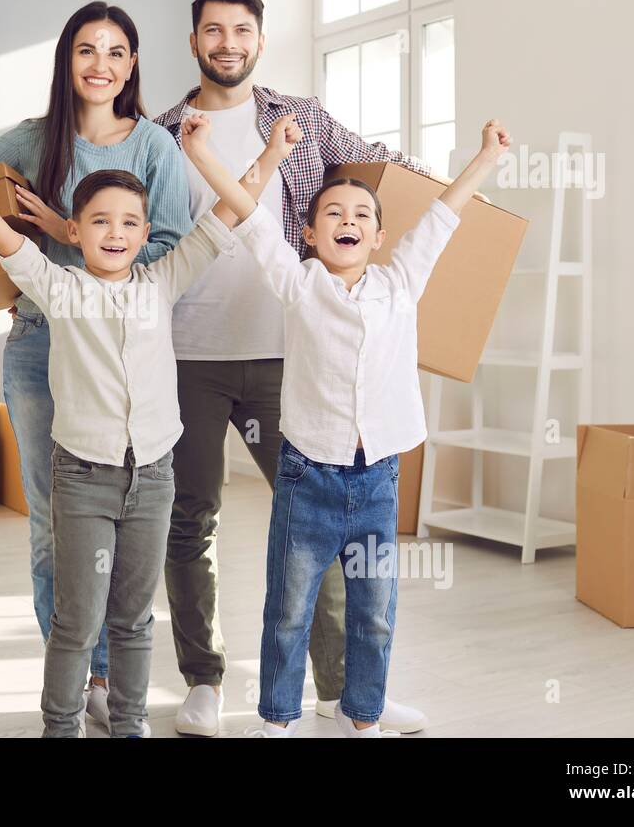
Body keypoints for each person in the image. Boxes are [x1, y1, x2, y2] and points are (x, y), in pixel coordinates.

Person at [0, 118, 293, 736]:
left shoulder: (164, 281)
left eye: (131, 222)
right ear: (75, 231)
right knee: (77, 621)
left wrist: (271, 151)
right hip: (84, 477)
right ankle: (62, 726)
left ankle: (131, 725)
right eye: (102, 221)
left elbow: (230, 210)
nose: (117, 233)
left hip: (154, 477)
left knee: (135, 620)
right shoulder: (58, 288)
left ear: (146, 234)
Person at [152, 0, 433, 736]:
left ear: (259, 39)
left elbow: (379, 169)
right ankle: (204, 681)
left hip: (288, 358)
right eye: (214, 31)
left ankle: (343, 693)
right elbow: (115, 232)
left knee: (324, 524)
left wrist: (455, 190)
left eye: (241, 30)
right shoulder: (164, 132)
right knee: (191, 518)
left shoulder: (299, 119)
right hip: (187, 355)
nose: (228, 44)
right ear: (195, 42)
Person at [0, 2, 192, 731]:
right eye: (87, 50)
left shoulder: (155, 145)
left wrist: (69, 231)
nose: (102, 64)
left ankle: (111, 679)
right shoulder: (36, 140)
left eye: (118, 51)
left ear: (133, 65)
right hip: (39, 346)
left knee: (124, 530)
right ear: (68, 61)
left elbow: (172, 250)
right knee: (51, 529)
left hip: (119, 359)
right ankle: (81, 675)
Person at [183, 111, 511, 736]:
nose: (348, 223)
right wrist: (201, 151)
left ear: (382, 237)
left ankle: (364, 715)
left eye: (362, 215)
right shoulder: (298, 284)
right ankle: (277, 721)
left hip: (376, 478)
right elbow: (246, 215)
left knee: (374, 611)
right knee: (288, 609)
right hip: (308, 477)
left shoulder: (400, 283)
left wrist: (486, 159)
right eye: (332, 214)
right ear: (307, 233)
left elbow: (442, 217)